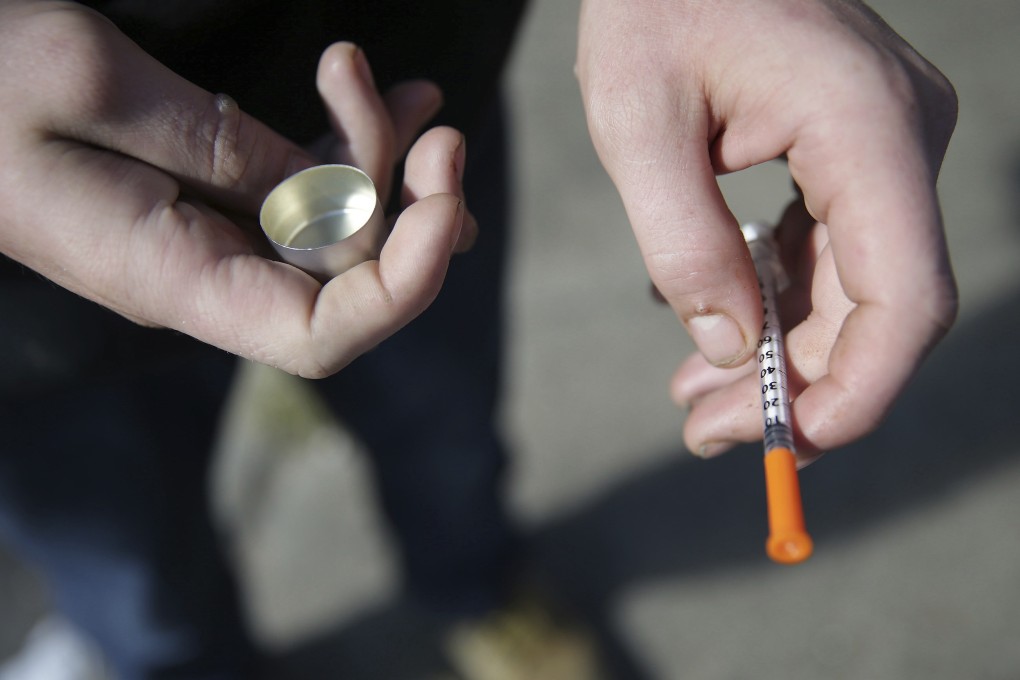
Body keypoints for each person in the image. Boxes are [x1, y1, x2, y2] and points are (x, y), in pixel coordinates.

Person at [0, 0, 957, 679]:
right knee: (126, 555)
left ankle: (476, 587)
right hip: (32, 288)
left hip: (411, 98)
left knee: (442, 429)